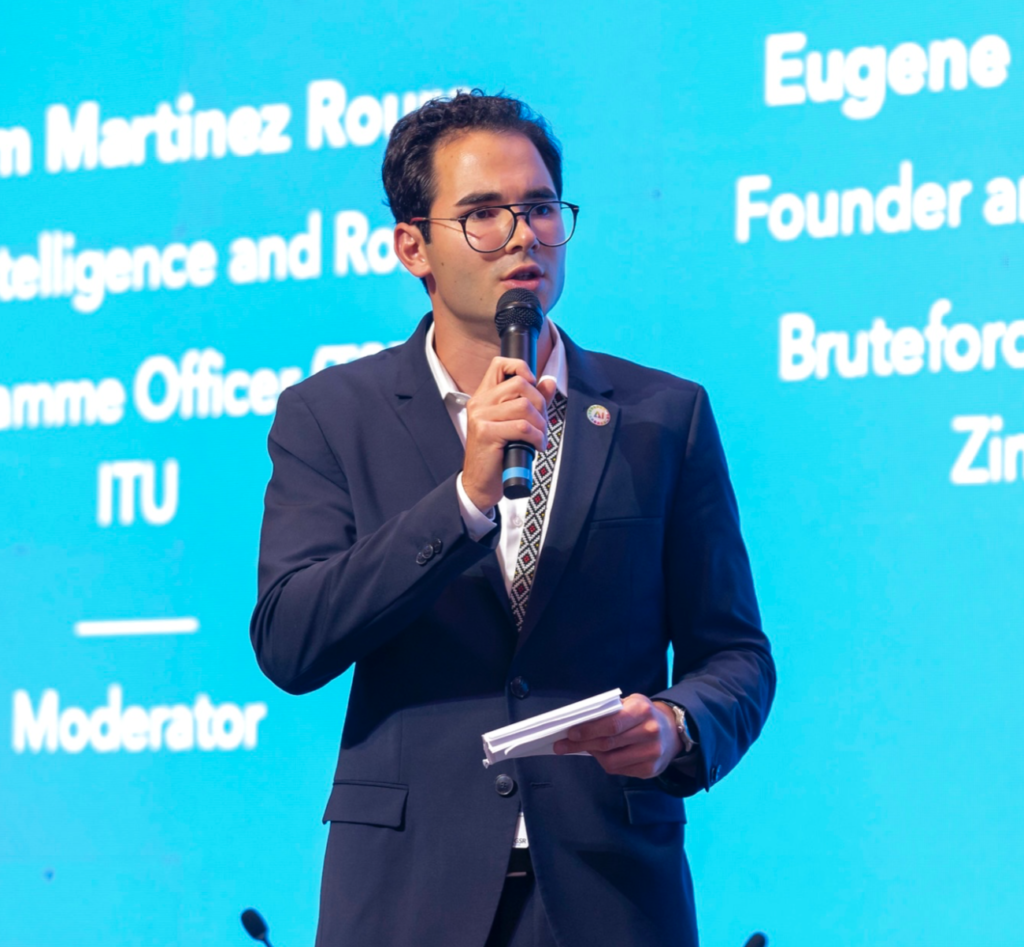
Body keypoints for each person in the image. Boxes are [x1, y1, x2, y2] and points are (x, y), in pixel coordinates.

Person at [250, 91, 774, 947]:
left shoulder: (661, 415)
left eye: (538, 208)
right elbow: (290, 640)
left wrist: (678, 724)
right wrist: (461, 501)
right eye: (484, 213)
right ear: (411, 245)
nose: (524, 234)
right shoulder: (328, 415)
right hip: (406, 891)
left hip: (611, 890)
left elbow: (737, 654)